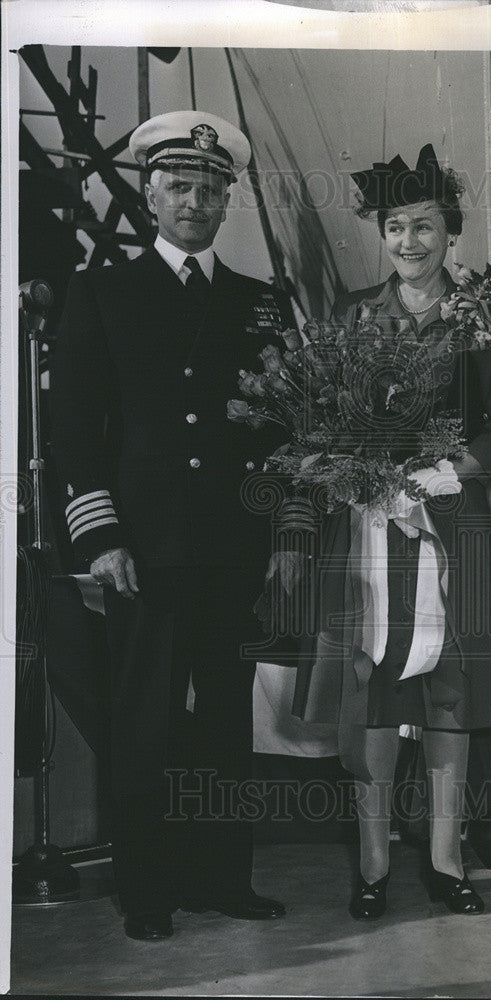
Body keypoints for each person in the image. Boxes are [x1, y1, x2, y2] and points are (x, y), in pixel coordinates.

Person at [50, 111, 295, 940]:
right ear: (151, 195)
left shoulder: (260, 304)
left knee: (228, 716)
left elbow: (279, 434)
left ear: (228, 201)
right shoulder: (104, 290)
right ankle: (147, 891)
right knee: (145, 717)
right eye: (178, 186)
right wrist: (102, 536)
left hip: (231, 550)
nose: (194, 201)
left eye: (210, 188)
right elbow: (75, 427)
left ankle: (225, 878)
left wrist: (276, 538)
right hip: (141, 551)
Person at [290, 144, 491, 918]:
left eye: (425, 226)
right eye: (396, 227)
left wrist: (453, 469)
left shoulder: (484, 315)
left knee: (449, 693)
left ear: (450, 233)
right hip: (369, 528)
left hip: (451, 524)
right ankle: (370, 862)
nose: (410, 243)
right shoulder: (354, 314)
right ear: (381, 235)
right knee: (377, 690)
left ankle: (446, 858)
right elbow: (319, 420)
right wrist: (356, 472)